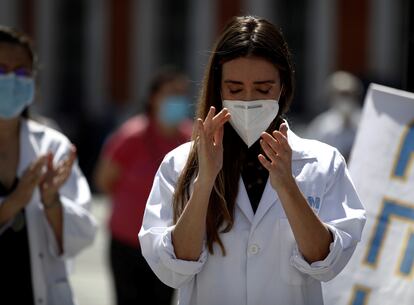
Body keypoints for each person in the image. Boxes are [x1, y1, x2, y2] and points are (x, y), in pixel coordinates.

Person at [139, 16, 366, 305]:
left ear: (283, 86)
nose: (248, 101)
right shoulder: (180, 163)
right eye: (234, 90)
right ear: (218, 89)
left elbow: (328, 263)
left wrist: (287, 186)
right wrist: (205, 181)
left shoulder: (322, 162)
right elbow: (172, 270)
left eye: (262, 89)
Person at [0, 26, 97, 305]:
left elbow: (82, 235)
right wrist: (13, 203)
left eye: (21, 72)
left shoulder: (53, 147)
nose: (11, 80)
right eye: (2, 69)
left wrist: (52, 201)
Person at [94, 67, 192, 305]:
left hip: (167, 242)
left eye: (181, 95)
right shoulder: (131, 135)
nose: (176, 101)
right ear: (153, 98)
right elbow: (104, 180)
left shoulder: (189, 137)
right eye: (170, 94)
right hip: (126, 241)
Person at [306, 71, 364, 160]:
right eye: (342, 94)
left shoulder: (365, 122)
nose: (345, 99)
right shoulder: (322, 125)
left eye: (348, 94)